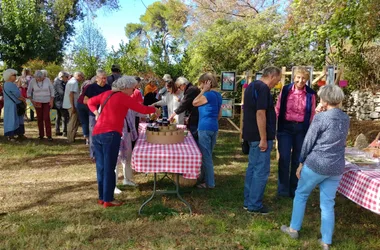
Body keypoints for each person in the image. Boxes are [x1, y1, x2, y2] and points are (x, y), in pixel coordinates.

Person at [281, 84, 349, 250]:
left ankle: (293, 229)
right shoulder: (345, 118)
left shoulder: (321, 118)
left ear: (325, 100)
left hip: (317, 163)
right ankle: (326, 241)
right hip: (336, 166)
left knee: (301, 194)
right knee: (327, 203)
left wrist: (301, 162)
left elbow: (308, 141)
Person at [87, 76, 160, 208]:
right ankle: (108, 199)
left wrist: (96, 114)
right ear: (125, 87)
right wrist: (154, 109)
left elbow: (90, 102)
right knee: (109, 167)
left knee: (101, 167)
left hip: (97, 133)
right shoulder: (123, 97)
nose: (133, 91)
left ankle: (102, 197)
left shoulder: (106, 94)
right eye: (132, 89)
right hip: (111, 134)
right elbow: (142, 109)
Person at [242, 66, 281, 214]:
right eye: (277, 80)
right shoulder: (263, 88)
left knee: (252, 168)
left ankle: (248, 200)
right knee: (261, 170)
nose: (276, 83)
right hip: (259, 136)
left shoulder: (252, 86)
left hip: (251, 134)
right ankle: (254, 204)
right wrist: (263, 138)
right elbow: (260, 113)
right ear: (272, 76)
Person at [275, 67, 316, 198]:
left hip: (301, 129)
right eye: (298, 77)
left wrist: (311, 131)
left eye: (303, 78)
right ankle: (282, 190)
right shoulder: (285, 90)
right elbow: (278, 108)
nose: (300, 80)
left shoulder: (311, 94)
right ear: (294, 78)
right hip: (285, 128)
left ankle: (294, 190)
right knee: (284, 158)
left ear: (307, 80)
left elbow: (313, 114)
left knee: (298, 159)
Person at [192, 73, 222, 189]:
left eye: (201, 84)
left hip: (204, 127)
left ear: (206, 82)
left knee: (206, 157)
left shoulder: (208, 95)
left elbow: (194, 102)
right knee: (207, 155)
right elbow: (219, 115)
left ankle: (210, 183)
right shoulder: (218, 95)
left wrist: (203, 91)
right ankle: (204, 179)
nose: (199, 86)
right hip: (214, 126)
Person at [83, 69, 111, 160]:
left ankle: (103, 153)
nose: (104, 80)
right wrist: (95, 104)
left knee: (105, 133)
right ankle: (94, 154)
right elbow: (85, 100)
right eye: (102, 78)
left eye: (105, 78)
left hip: (106, 113)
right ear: (97, 78)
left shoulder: (108, 87)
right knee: (94, 133)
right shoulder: (91, 87)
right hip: (93, 113)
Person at [169, 76, 200, 141]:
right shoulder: (191, 89)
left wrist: (173, 115)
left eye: (179, 87)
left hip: (195, 116)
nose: (179, 89)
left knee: (194, 138)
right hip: (194, 115)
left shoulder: (191, 90)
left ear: (183, 84)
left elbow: (183, 104)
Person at [27, 70, 54, 140]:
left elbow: (52, 90)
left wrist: (51, 100)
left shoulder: (47, 80)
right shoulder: (32, 81)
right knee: (39, 118)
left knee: (46, 118)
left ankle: (49, 135)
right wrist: (32, 101)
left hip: (46, 101)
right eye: (37, 78)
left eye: (40, 78)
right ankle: (41, 134)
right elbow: (29, 92)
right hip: (37, 101)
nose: (39, 79)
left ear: (43, 77)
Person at [2, 69, 27, 141]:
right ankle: (12, 136)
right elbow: (18, 95)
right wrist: (24, 100)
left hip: (9, 105)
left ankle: (16, 135)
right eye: (14, 75)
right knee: (14, 119)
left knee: (11, 119)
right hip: (14, 105)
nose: (16, 77)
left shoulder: (5, 84)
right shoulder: (10, 84)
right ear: (9, 76)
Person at [63, 71, 84, 143]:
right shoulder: (74, 82)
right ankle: (70, 138)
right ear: (78, 76)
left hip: (70, 104)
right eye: (82, 76)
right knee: (73, 121)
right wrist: (73, 106)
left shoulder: (71, 81)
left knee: (73, 121)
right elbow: (71, 94)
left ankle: (71, 137)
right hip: (72, 104)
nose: (82, 78)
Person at [76, 75, 94, 145]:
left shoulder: (85, 84)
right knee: (91, 121)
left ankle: (87, 139)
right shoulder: (93, 87)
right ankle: (90, 138)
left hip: (80, 103)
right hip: (87, 104)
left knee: (84, 122)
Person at [53, 71, 70, 137]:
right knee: (64, 117)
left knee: (59, 116)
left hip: (59, 102)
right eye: (66, 77)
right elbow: (61, 92)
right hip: (60, 102)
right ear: (62, 77)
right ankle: (64, 131)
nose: (67, 78)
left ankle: (58, 130)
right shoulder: (58, 83)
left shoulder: (59, 82)